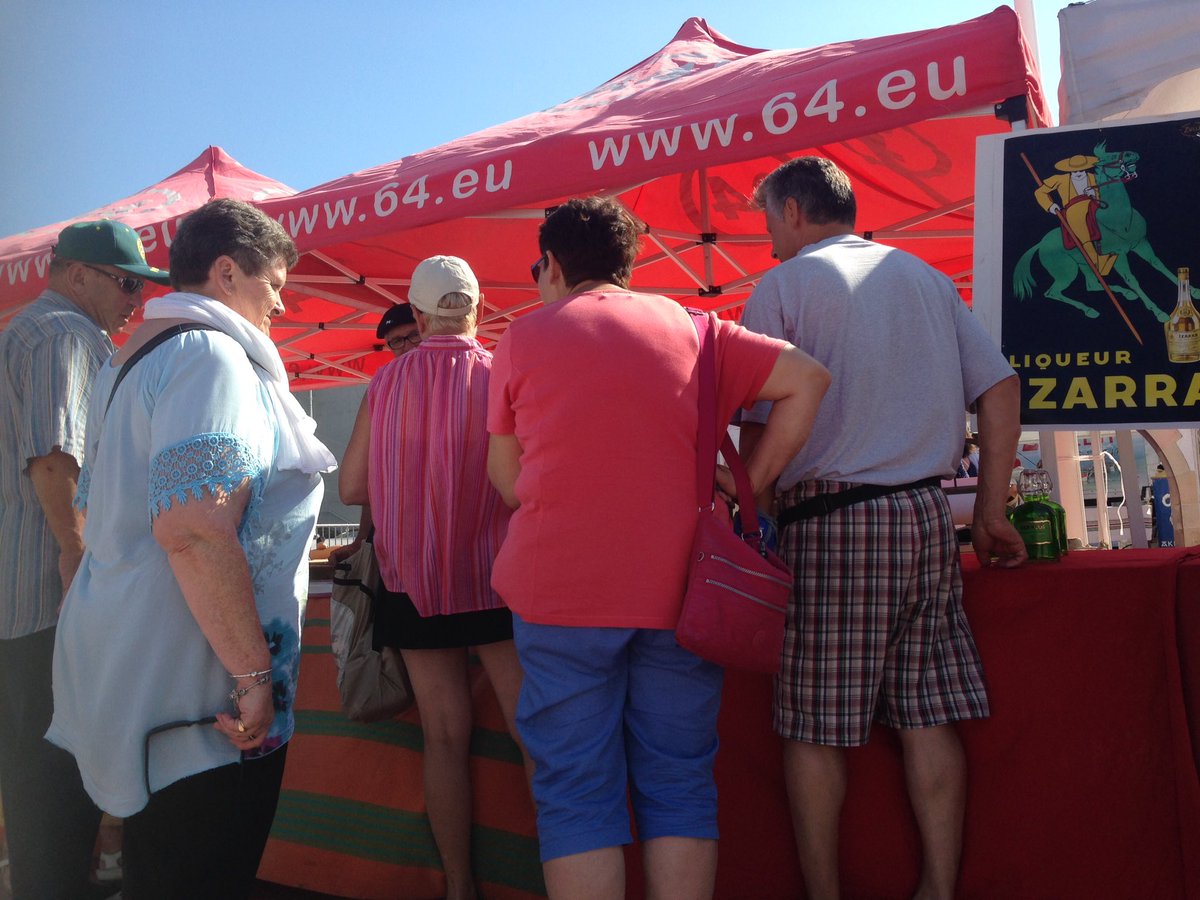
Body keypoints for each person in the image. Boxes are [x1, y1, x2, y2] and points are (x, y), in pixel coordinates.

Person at [486, 197, 830, 900]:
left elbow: (506, 481)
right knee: (678, 778)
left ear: (551, 265)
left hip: (560, 593)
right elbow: (808, 380)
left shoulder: (522, 338)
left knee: (576, 790)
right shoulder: (698, 328)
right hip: (682, 589)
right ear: (628, 261)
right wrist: (744, 490)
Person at [739, 156, 1027, 900]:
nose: (767, 231)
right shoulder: (924, 276)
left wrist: (752, 516)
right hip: (926, 516)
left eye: (768, 214)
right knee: (927, 713)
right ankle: (937, 888)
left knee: (814, 726)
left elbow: (758, 428)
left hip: (832, 521)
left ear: (796, 212)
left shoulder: (782, 285)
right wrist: (990, 511)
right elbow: (999, 385)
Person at [46, 198, 336, 898]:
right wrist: (253, 676)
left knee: (166, 865)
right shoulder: (211, 356)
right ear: (228, 271)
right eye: (274, 285)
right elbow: (194, 528)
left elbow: (106, 518)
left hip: (146, 673)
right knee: (200, 868)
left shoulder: (135, 362)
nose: (281, 305)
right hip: (197, 699)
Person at [340, 256, 529, 900]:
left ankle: (459, 887)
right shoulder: (504, 371)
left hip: (411, 583)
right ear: (476, 309)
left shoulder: (385, 385)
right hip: (498, 580)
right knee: (536, 731)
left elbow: (353, 486)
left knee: (444, 737)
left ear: (417, 316)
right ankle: (563, 877)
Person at [0, 218, 169, 898]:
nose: (136, 300)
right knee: (53, 783)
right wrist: (76, 561)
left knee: (37, 775)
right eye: (128, 284)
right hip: (46, 597)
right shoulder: (64, 335)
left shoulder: (31, 329)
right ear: (78, 276)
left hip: (23, 596)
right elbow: (54, 458)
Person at [328, 302, 421, 568]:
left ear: (427, 328)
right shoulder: (386, 392)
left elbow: (356, 487)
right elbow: (364, 481)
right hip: (396, 544)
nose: (406, 346)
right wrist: (361, 540)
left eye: (413, 335)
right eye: (396, 342)